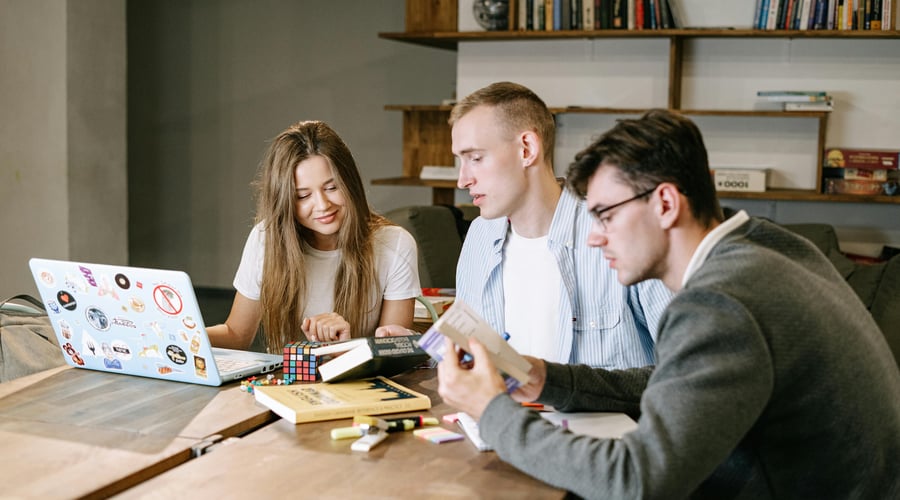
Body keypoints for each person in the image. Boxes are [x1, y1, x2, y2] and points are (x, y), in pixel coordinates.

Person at [437, 109, 900, 499]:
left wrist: (494, 411)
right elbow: (676, 380)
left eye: (607, 216)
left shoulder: (719, 303)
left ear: (664, 203)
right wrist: (550, 379)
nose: (594, 237)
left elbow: (638, 479)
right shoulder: (767, 246)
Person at [450, 81, 671, 368]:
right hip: (503, 411)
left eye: (476, 158)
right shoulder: (480, 234)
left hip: (610, 414)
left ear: (527, 149)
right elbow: (467, 354)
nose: (462, 180)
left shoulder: (622, 232)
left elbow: (686, 369)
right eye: (460, 161)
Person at [207, 121, 421, 353]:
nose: (322, 205)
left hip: (359, 386)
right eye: (303, 195)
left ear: (350, 183)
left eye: (332, 188)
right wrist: (180, 336)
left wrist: (343, 348)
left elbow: (392, 352)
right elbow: (237, 335)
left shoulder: (395, 244)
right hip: (284, 384)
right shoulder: (266, 239)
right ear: (285, 201)